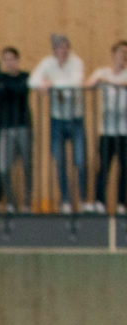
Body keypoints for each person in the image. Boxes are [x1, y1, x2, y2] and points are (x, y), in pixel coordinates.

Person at [30, 34, 89, 213]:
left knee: (80, 160)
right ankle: (65, 200)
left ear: (69, 48)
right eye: (59, 48)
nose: (62, 51)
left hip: (75, 118)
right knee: (60, 160)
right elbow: (32, 81)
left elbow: (76, 83)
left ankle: (84, 200)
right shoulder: (47, 63)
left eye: (65, 47)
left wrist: (51, 84)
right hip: (57, 119)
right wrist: (43, 84)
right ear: (54, 50)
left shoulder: (76, 62)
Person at [88, 41, 127, 214]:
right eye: (120, 52)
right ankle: (99, 201)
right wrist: (102, 80)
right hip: (107, 130)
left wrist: (117, 84)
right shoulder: (103, 72)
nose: (123, 56)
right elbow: (88, 84)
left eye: (126, 53)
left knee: (124, 168)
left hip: (124, 130)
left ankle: (122, 203)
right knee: (103, 166)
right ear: (113, 54)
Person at [0, 47, 34, 212]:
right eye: (6, 59)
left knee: (27, 166)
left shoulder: (25, 76)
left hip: (24, 126)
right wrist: (8, 88)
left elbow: (20, 90)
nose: (9, 62)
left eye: (12, 59)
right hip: (6, 127)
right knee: (3, 168)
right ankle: (11, 201)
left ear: (17, 60)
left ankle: (27, 203)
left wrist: (7, 88)